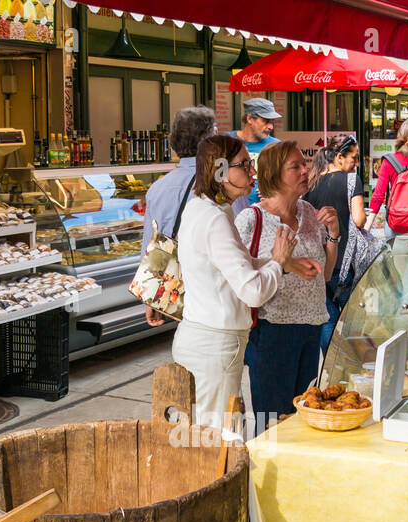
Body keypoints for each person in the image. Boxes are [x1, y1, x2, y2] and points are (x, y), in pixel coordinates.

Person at [173, 134, 319, 429]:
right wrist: (278, 261)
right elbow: (252, 292)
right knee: (218, 442)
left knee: (219, 436)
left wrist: (284, 264)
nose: (252, 172)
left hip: (210, 342)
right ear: (220, 172)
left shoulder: (207, 208)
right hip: (214, 346)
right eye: (244, 165)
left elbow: (235, 266)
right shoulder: (215, 218)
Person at [235, 142, 336, 432]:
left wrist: (334, 236)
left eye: (304, 164)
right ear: (274, 175)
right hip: (272, 331)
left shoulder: (308, 212)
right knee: (271, 423)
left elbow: (325, 275)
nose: (305, 170)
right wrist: (281, 263)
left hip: (311, 328)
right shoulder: (251, 220)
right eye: (295, 166)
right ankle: (266, 474)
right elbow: (237, 276)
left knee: (302, 419)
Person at [140, 105, 216, 328]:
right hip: (213, 289)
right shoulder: (220, 184)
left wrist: (151, 296)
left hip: (173, 287)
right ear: (205, 138)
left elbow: (150, 246)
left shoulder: (157, 188)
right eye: (215, 132)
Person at [304, 133, 367, 351]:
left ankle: (329, 369)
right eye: (354, 157)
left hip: (321, 263)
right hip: (346, 264)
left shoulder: (311, 183)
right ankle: (351, 366)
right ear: (339, 157)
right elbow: (358, 220)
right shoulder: (352, 180)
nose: (356, 163)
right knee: (352, 320)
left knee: (328, 320)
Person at [231, 97, 282, 213]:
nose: (271, 127)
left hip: (264, 216)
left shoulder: (277, 146)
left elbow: (288, 183)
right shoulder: (227, 141)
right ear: (250, 118)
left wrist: (275, 194)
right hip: (232, 214)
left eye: (272, 122)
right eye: (266, 121)